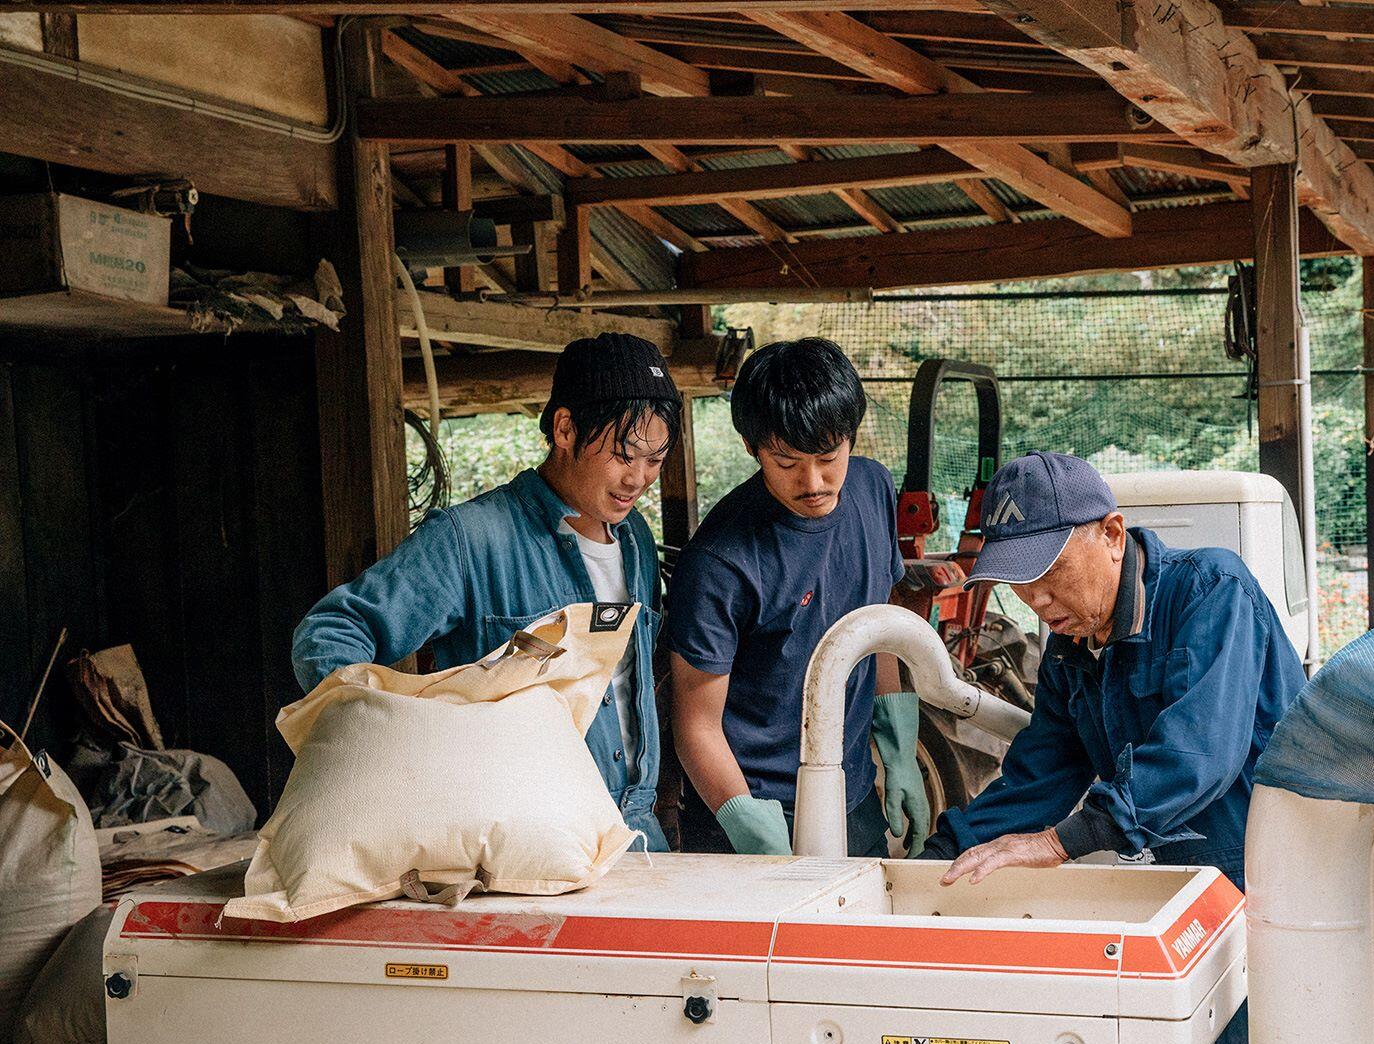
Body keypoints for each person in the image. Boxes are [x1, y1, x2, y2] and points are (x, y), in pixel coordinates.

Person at [924, 451, 1374, 1044]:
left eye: (1052, 576)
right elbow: (1037, 777)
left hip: (1281, 893)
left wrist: (1066, 842)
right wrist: (925, 867)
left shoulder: (1213, 590)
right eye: (1022, 587)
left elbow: (1198, 754)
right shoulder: (1072, 651)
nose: (1040, 603)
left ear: (1112, 532)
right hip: (1191, 903)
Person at [291, 334, 677, 849]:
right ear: (565, 428)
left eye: (656, 459)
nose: (639, 478)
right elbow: (331, 631)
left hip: (637, 828)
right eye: (624, 454)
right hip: (522, 833)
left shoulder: (635, 542)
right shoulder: (469, 539)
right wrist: (390, 733)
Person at [667, 338, 928, 858]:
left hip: (848, 789)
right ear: (753, 447)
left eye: (828, 457)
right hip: (748, 804)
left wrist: (899, 748)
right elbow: (694, 722)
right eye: (786, 462)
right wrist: (744, 824)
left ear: (851, 439)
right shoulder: (721, 560)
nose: (812, 482)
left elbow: (874, 624)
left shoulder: (873, 489)